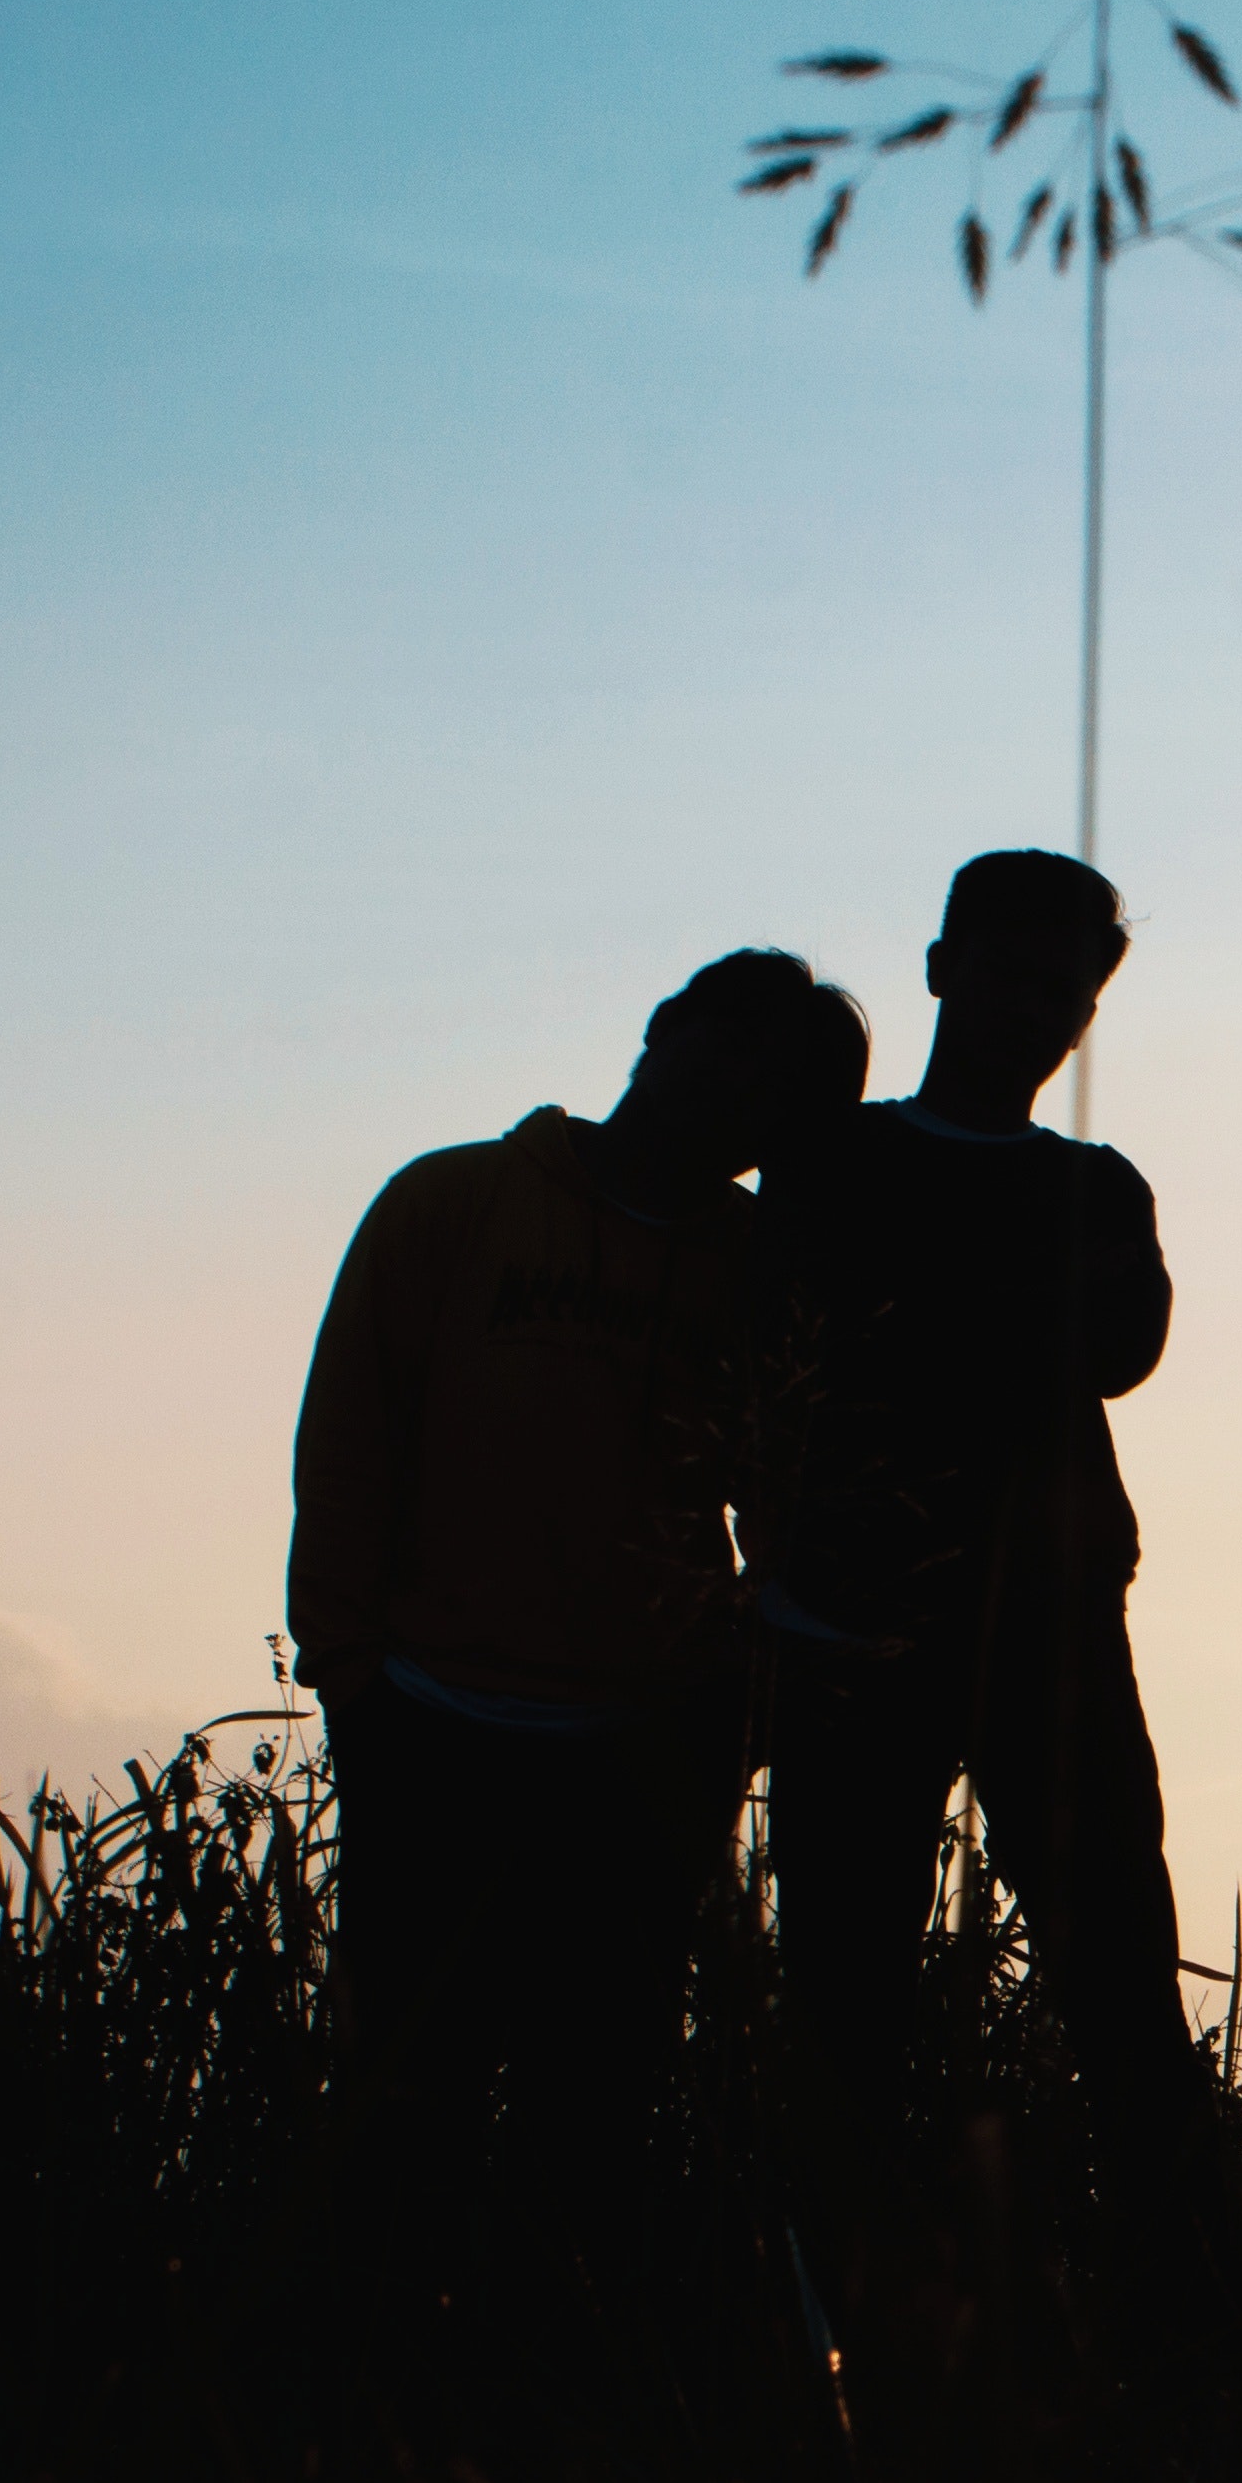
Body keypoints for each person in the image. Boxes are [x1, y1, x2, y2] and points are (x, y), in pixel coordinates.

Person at [285, 946, 872, 2322]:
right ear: (665, 1031)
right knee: (397, 2104)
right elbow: (352, 1434)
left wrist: (738, 1697)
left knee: (594, 2116)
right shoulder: (457, 1201)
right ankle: (358, 2412)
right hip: (428, 1722)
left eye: (773, 1093)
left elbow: (792, 1489)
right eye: (726, 1054)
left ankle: (555, 2422)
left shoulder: (755, 1267)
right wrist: (350, 1675)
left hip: (640, 1750)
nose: (735, 1098)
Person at [756, 852, 1206, 2319]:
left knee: (1123, 1986)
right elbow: (776, 1362)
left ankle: (1186, 2329)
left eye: (1065, 993)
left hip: (1052, 1638)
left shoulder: (1093, 1187)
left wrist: (929, 1320)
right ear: (945, 968)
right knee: (843, 1997)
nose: (1036, 1013)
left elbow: (1120, 1343)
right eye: (1012, 975)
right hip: (854, 1629)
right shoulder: (832, 1161)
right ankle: (833, 2324)